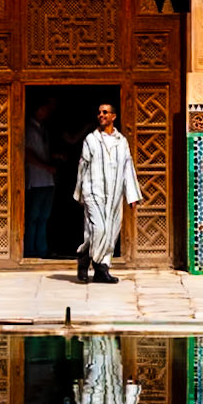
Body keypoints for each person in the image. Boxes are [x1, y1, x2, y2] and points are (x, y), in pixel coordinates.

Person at [73, 100, 141, 284]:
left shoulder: (122, 142)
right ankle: (84, 257)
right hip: (93, 192)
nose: (101, 115)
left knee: (111, 231)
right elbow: (83, 166)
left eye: (105, 112)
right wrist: (80, 192)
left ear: (113, 117)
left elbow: (128, 167)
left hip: (115, 193)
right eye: (99, 113)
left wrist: (132, 195)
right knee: (99, 229)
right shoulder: (91, 140)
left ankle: (102, 268)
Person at [23, 94, 57, 258]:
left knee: (43, 216)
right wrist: (45, 166)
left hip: (47, 180)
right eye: (46, 108)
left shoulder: (42, 129)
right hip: (36, 180)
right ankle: (30, 251)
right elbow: (27, 154)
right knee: (33, 217)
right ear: (39, 109)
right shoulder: (28, 129)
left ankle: (41, 250)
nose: (48, 112)